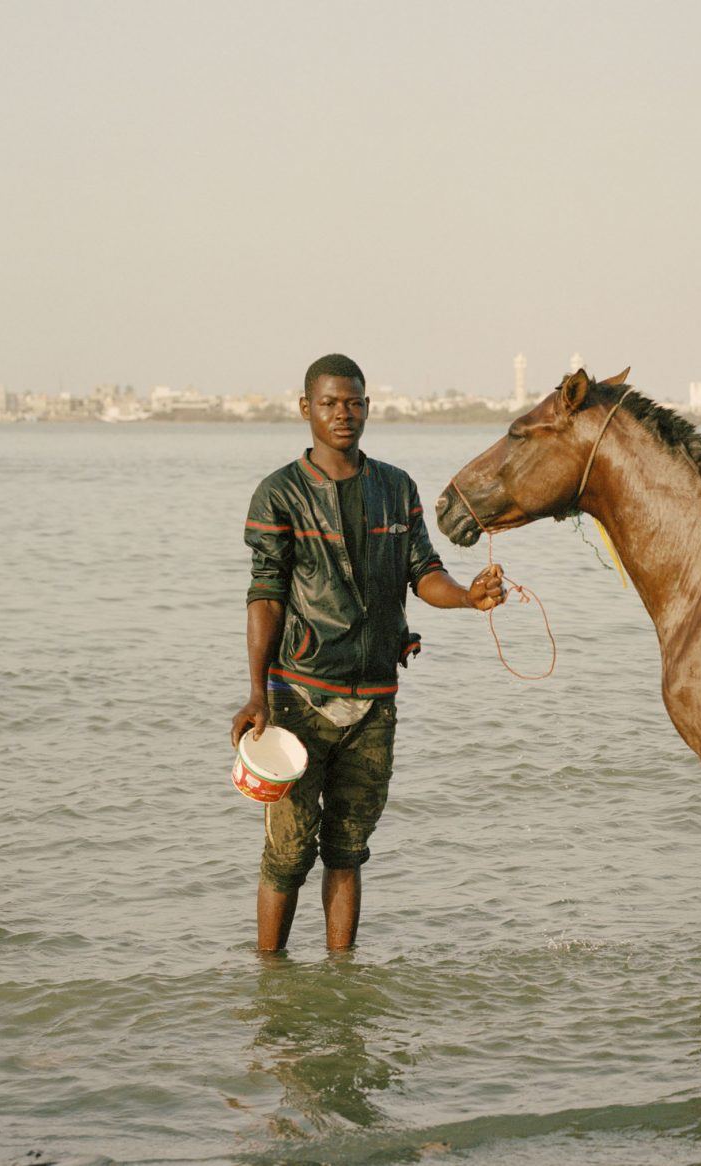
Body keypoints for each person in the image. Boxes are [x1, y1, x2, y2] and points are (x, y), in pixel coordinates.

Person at [230, 353, 504, 952]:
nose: (342, 414)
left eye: (353, 402)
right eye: (329, 403)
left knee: (348, 851)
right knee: (287, 854)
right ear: (306, 409)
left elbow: (423, 572)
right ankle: (269, 982)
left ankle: (342, 978)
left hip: (375, 701)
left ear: (368, 408)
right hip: (298, 697)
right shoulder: (280, 494)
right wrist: (257, 693)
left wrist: (466, 597)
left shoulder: (395, 488)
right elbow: (266, 596)